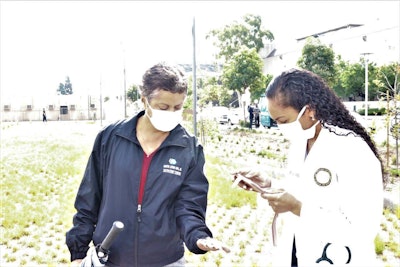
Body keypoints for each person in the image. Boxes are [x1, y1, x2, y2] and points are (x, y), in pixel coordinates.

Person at [66, 62, 230, 267]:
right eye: (163, 107)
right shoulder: (110, 138)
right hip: (111, 258)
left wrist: (198, 236)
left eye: (178, 107)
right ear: (144, 101)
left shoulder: (189, 148)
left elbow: (189, 206)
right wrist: (78, 252)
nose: (172, 112)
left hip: (166, 260)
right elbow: (89, 198)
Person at [233, 68, 384, 266]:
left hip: (338, 257)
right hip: (299, 253)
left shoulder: (352, 149)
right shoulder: (301, 143)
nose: (281, 127)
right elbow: (301, 191)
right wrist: (267, 184)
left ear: (310, 110)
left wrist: (298, 208)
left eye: (283, 121)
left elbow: (363, 228)